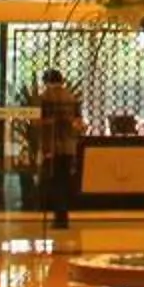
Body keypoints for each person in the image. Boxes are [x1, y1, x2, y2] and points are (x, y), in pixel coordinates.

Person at [36, 70, 86, 231]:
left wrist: (44, 148)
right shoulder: (71, 97)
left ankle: (59, 218)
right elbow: (78, 123)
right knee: (64, 182)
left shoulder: (46, 98)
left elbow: (42, 123)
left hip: (53, 146)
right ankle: (63, 217)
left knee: (55, 182)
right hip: (69, 147)